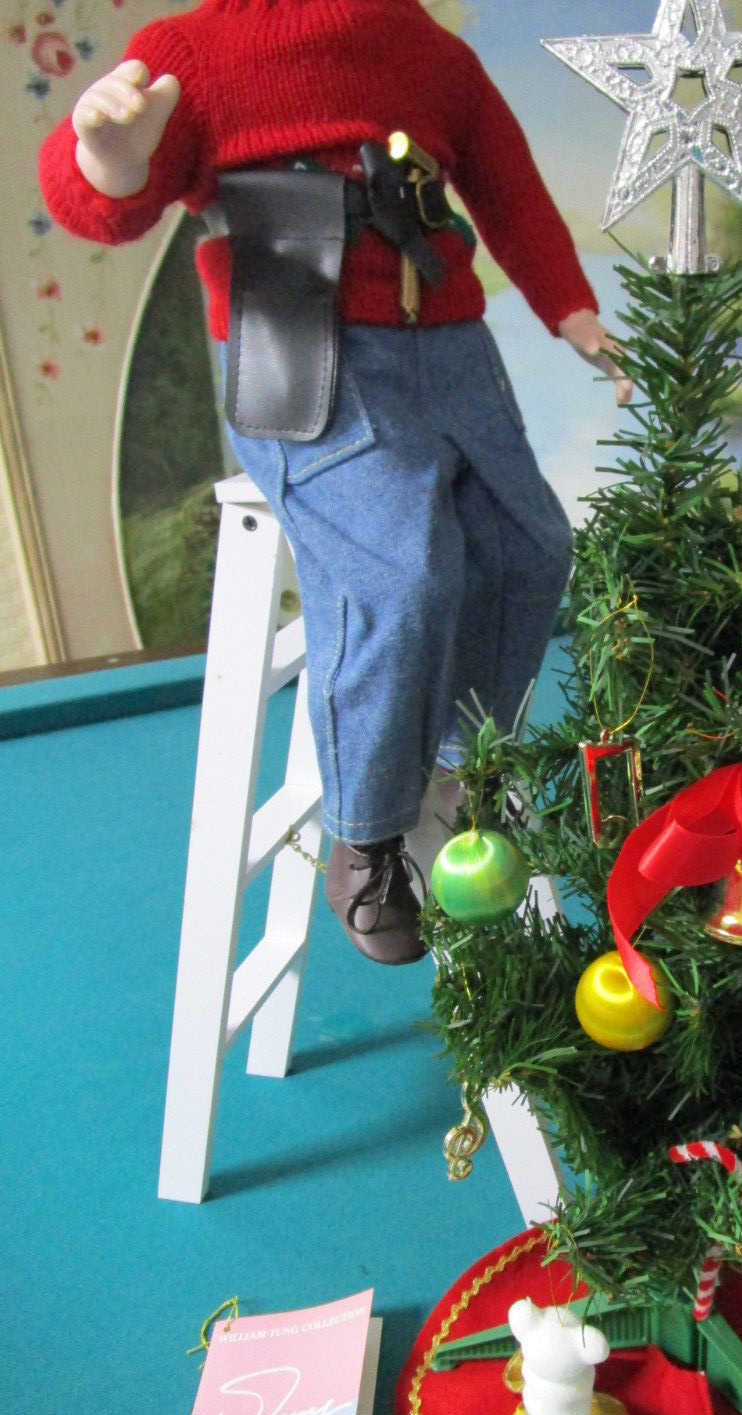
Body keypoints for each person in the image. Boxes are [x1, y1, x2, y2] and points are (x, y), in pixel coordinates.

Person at [40, 0, 628, 964]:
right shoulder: (193, 53)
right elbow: (103, 206)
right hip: (311, 350)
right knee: (401, 578)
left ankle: (463, 768)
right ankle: (368, 837)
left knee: (531, 546)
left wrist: (569, 306)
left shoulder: (429, 52)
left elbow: (507, 185)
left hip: (448, 340)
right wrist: (107, 156)